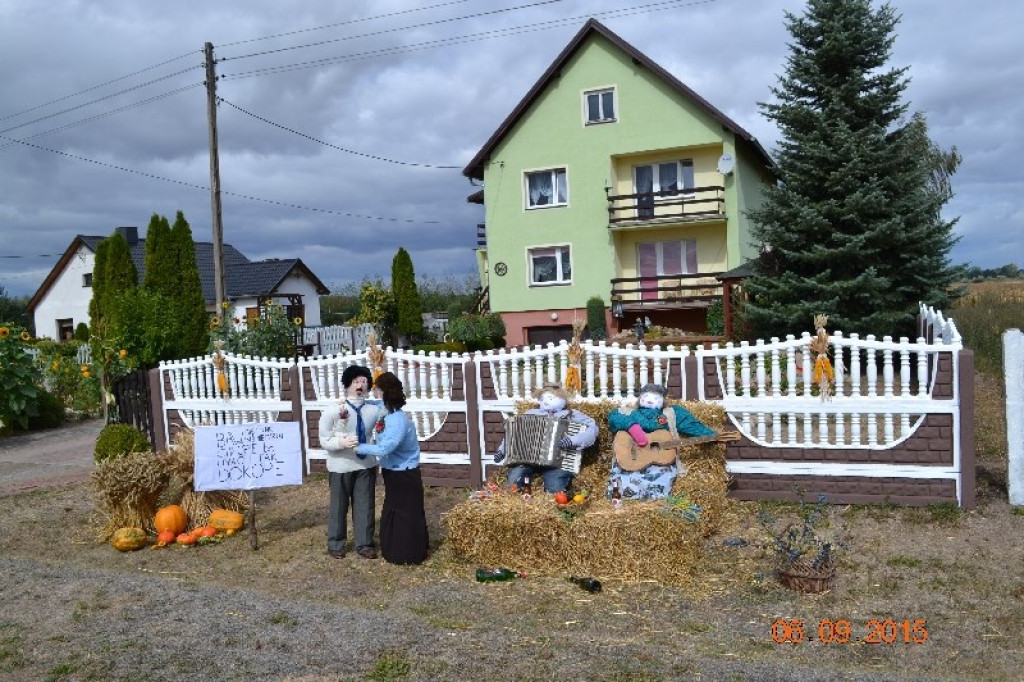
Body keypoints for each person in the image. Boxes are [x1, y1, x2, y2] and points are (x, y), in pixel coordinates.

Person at [340, 371, 429, 565]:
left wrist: (357, 446)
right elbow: (373, 404)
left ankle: (406, 553)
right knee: (393, 509)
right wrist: (355, 399)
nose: (374, 392)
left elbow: (385, 448)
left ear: (384, 392)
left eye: (376, 389)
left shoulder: (397, 420)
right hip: (394, 472)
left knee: (404, 513)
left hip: (403, 474)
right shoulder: (387, 409)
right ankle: (394, 548)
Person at [607, 383, 726, 500]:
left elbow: (691, 425)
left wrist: (712, 436)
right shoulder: (628, 412)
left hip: (661, 463)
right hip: (629, 461)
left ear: (663, 400)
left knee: (660, 480)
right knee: (623, 480)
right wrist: (632, 427)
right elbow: (613, 417)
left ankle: (653, 499)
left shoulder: (671, 414)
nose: (650, 401)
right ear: (640, 399)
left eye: (656, 398)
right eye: (646, 397)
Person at [317, 365, 385, 560]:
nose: (360, 386)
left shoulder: (374, 410)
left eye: (364, 382)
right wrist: (340, 442)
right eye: (356, 381)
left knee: (365, 504)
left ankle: (364, 543)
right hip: (340, 465)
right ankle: (336, 542)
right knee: (338, 505)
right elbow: (324, 439)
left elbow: (386, 424)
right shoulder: (333, 410)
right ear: (347, 384)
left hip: (366, 465)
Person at [493, 383, 598, 494]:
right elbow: (513, 434)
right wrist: (502, 450)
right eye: (542, 399)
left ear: (562, 399)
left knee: (554, 488)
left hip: (559, 462)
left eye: (550, 398)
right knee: (513, 481)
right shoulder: (530, 414)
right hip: (527, 460)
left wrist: (573, 440)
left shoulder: (571, 415)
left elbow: (593, 428)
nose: (545, 402)